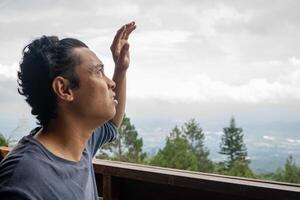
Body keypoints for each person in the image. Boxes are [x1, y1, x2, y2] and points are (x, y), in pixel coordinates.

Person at [0, 21, 136, 200]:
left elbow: (111, 124)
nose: (111, 83)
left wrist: (121, 69)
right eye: (98, 72)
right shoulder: (23, 182)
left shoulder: (79, 144)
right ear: (64, 89)